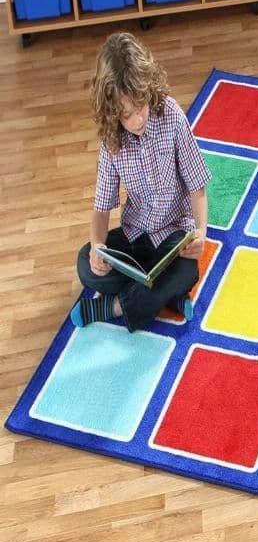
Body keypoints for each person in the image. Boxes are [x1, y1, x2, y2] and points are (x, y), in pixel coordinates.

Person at [71, 32, 210, 332]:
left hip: (173, 237)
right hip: (135, 237)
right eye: (126, 115)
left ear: (149, 88)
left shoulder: (171, 115)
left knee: (187, 268)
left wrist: (200, 232)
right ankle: (166, 297)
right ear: (112, 114)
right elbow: (101, 207)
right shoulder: (111, 141)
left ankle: (113, 307)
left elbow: (197, 184)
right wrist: (97, 246)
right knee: (86, 263)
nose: (136, 119)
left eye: (140, 106)